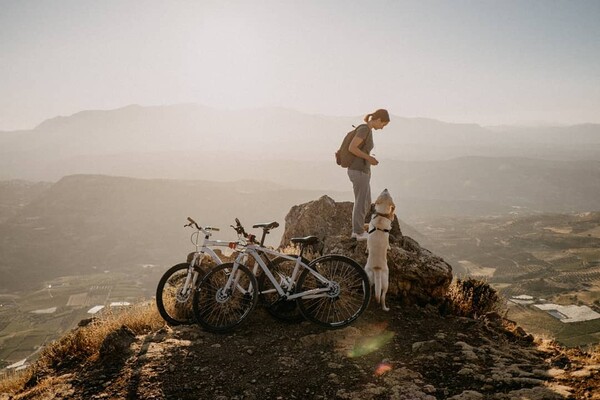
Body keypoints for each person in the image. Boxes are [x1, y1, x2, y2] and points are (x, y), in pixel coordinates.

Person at [347, 108, 390, 241]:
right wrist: (369, 158)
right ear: (377, 120)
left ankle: (359, 227)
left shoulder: (367, 130)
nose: (382, 128)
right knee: (360, 202)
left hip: (363, 171)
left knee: (366, 202)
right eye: (383, 124)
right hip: (358, 170)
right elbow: (352, 148)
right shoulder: (364, 129)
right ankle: (358, 232)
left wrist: (368, 159)